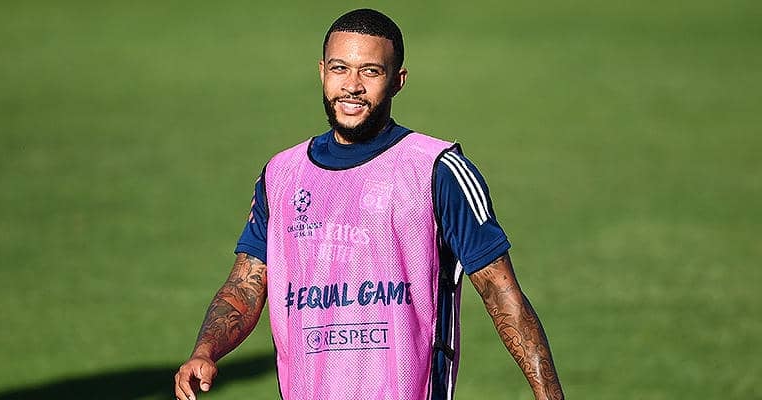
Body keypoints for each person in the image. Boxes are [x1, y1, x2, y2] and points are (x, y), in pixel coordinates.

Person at [175, 8, 564, 400]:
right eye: (340, 69)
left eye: (371, 71)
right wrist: (205, 351)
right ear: (322, 72)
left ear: (397, 81)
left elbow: (501, 294)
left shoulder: (437, 169)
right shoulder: (281, 175)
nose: (352, 86)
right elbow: (245, 286)